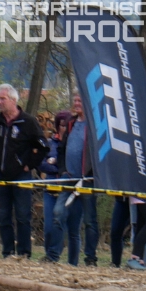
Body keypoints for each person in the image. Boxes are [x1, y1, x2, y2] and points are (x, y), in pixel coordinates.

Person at [0, 83, 45, 258]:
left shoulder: (28, 122)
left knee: (23, 215)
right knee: (3, 215)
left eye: (2, 99)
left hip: (21, 176)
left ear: (13, 100)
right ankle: (8, 252)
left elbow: (43, 147)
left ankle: (24, 253)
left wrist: (29, 165)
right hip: (0, 174)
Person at [61, 94, 98, 266]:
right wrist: (62, 169)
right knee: (66, 218)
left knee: (90, 220)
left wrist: (91, 173)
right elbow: (62, 148)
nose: (76, 103)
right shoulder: (71, 123)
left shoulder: (94, 125)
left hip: (87, 180)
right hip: (69, 178)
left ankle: (90, 258)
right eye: (75, 100)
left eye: (80, 101)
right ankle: (66, 259)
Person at [39, 110, 71, 263]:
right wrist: (57, 168)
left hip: (66, 190)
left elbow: (70, 166)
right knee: (48, 227)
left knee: (60, 223)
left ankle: (54, 256)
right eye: (61, 125)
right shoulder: (50, 143)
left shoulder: (72, 144)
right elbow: (42, 164)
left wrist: (56, 163)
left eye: (66, 126)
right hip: (50, 189)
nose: (63, 128)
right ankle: (48, 255)